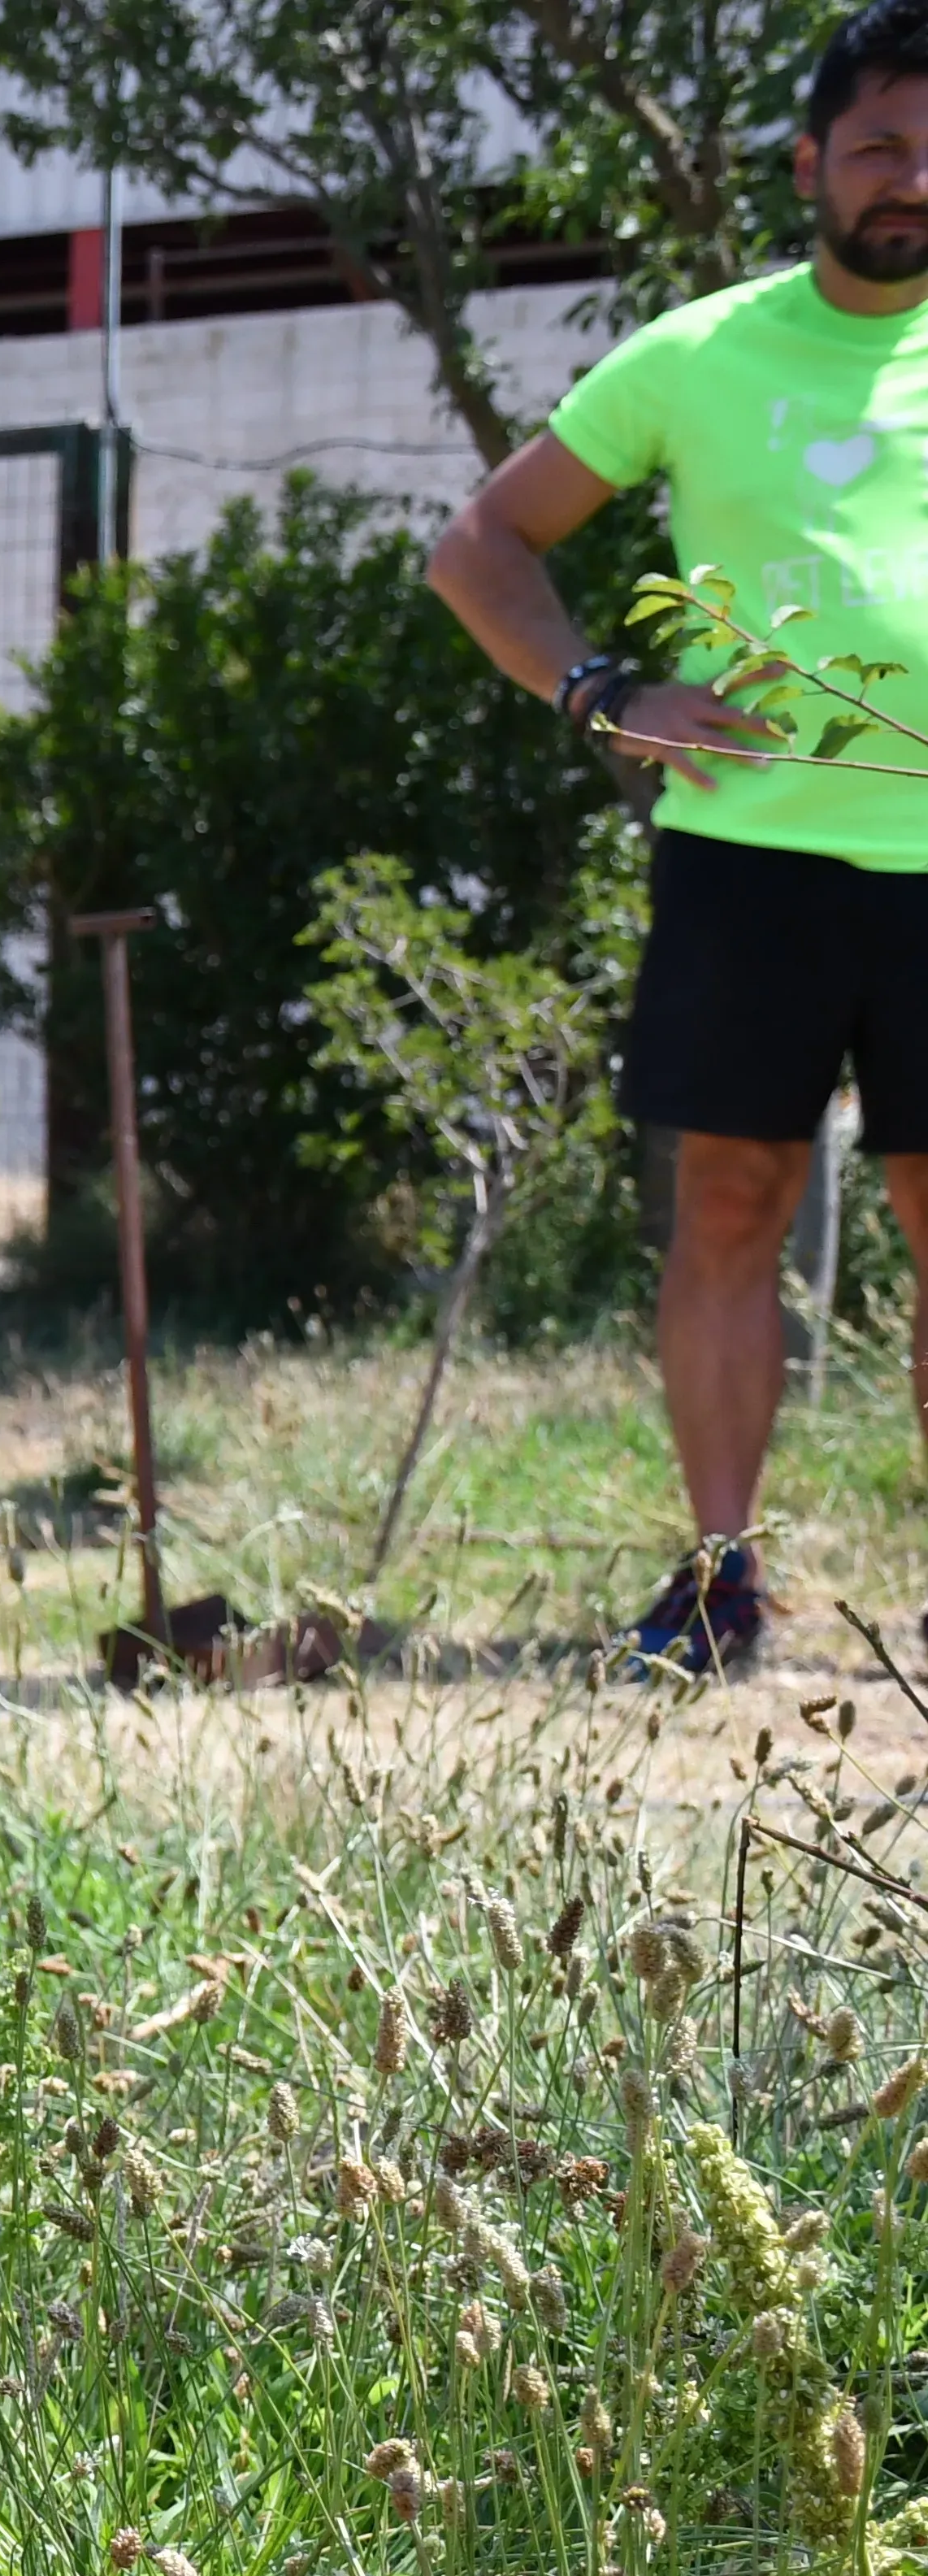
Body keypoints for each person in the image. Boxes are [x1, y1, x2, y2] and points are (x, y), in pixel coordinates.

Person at [432, 0, 928, 1676]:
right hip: (754, 863)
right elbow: (483, 545)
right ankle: (721, 1576)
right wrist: (598, 689)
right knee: (728, 1203)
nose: (911, 178)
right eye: (879, 144)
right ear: (809, 162)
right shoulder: (701, 352)